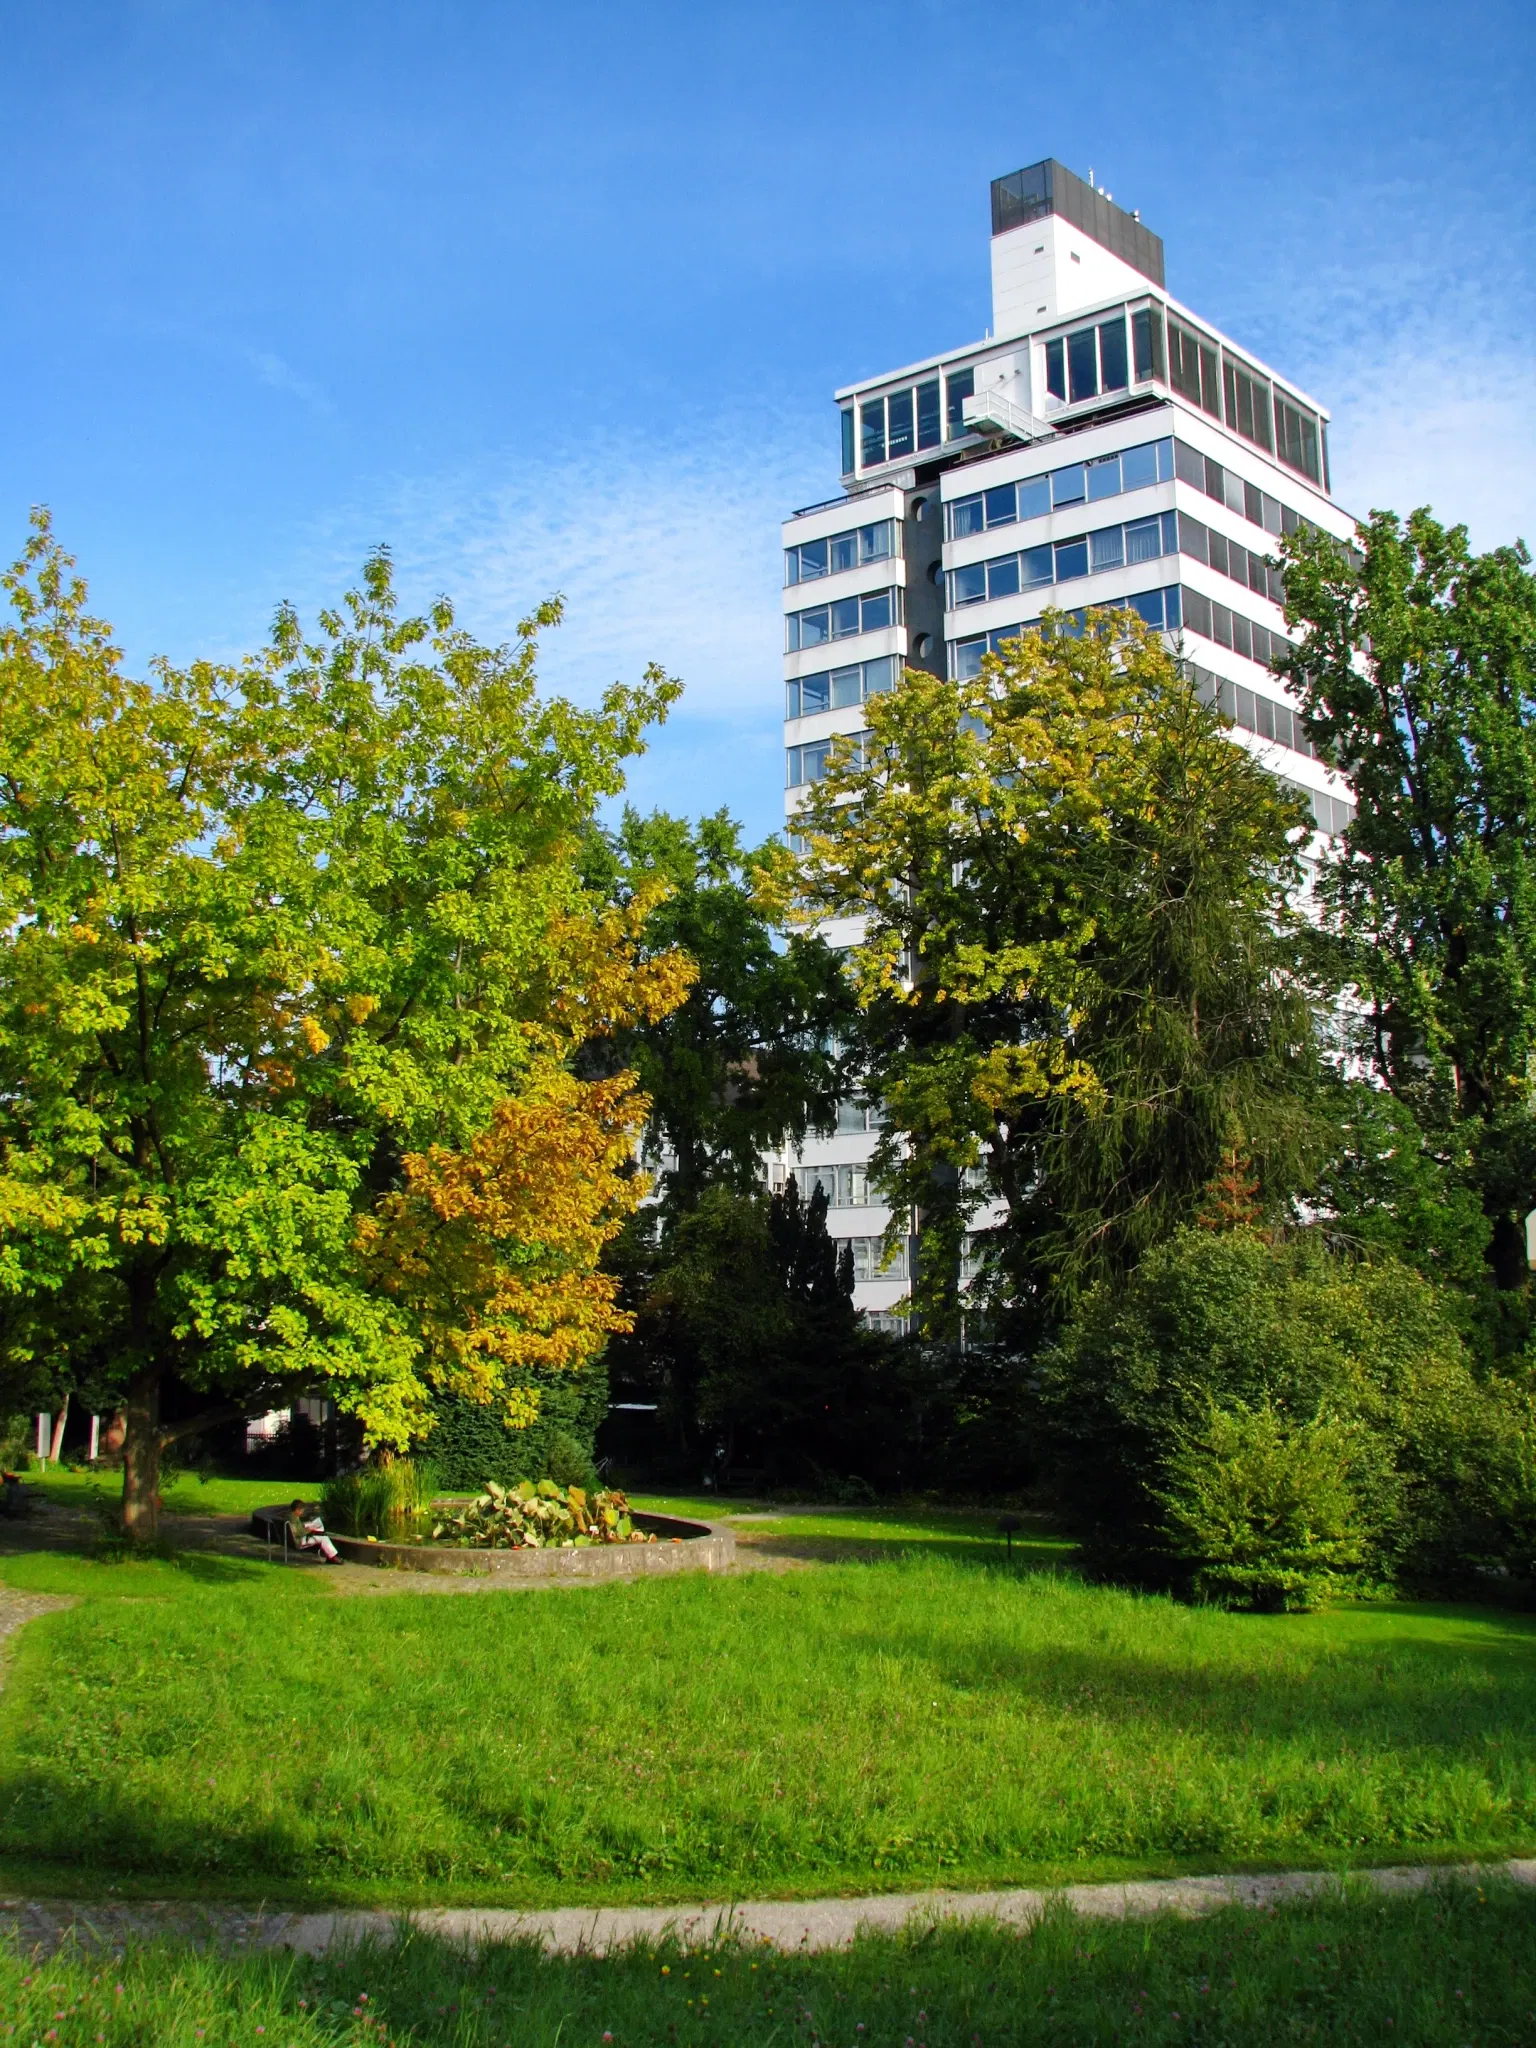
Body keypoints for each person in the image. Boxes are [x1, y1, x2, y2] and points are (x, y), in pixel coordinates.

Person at [286, 1499, 341, 1563]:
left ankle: (331, 1557)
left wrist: (304, 1526)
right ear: (297, 1509)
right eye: (301, 1511)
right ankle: (333, 1558)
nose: (302, 1513)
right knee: (323, 1538)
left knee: (322, 1536)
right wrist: (308, 1530)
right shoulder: (293, 1519)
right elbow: (298, 1533)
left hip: (297, 1539)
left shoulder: (291, 1516)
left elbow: (296, 1529)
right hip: (299, 1541)